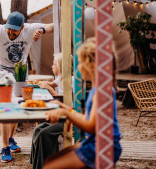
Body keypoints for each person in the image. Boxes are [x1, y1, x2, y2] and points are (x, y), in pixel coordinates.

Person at [0, 11, 54, 162]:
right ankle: (4, 147)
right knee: (5, 107)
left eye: (14, 30)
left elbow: (54, 26)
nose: (10, 32)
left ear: (22, 27)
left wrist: (41, 31)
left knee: (18, 105)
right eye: (8, 28)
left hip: (21, 70)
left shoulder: (30, 29)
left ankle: (10, 139)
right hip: (3, 70)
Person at [43, 38, 122, 168]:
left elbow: (90, 126)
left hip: (103, 147)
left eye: (80, 63)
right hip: (94, 143)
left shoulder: (102, 92)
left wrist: (65, 113)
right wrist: (64, 107)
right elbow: (88, 119)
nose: (78, 67)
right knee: (50, 161)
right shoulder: (97, 89)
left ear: (91, 65)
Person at [30, 53, 73, 169]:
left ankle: (46, 164)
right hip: (61, 115)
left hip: (69, 118)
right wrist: (41, 83)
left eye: (54, 64)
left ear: (61, 67)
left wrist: (49, 89)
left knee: (44, 133)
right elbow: (52, 84)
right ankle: (36, 163)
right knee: (37, 129)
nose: (52, 66)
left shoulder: (71, 80)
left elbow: (66, 101)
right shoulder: (61, 78)